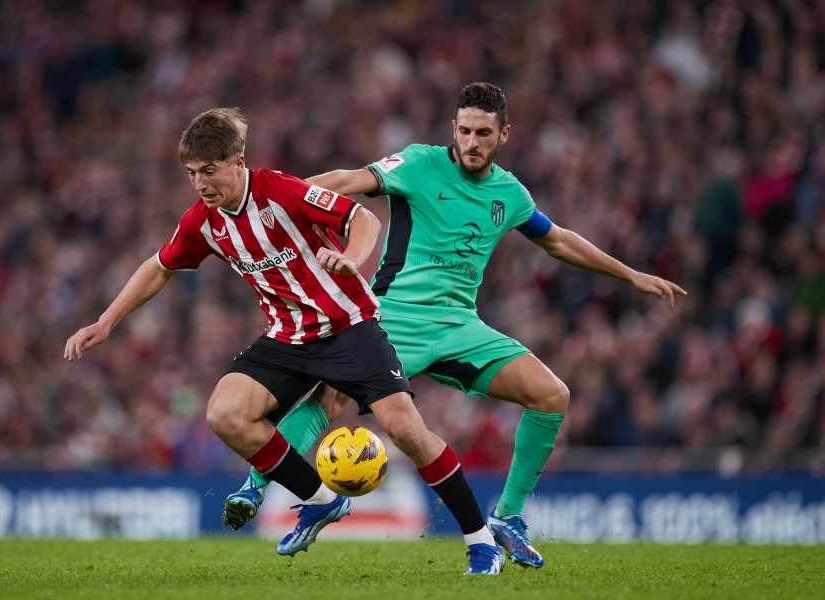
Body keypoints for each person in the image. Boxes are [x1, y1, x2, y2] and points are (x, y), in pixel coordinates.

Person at [223, 83, 688, 568]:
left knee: (553, 395)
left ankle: (507, 517)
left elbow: (560, 242)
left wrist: (630, 274)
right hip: (392, 317)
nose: (471, 141)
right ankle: (256, 487)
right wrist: (270, 203)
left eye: (483, 133)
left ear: (504, 134)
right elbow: (344, 180)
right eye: (464, 130)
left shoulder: (509, 193)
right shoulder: (420, 164)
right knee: (329, 397)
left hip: (459, 326)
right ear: (453, 128)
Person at [63, 107, 505, 575]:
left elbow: (364, 221)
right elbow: (159, 267)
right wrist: (106, 321)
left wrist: (352, 258)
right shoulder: (203, 221)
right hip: (289, 337)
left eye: (209, 171)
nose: (200, 184)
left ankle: (481, 542)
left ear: (238, 162)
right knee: (225, 415)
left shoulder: (280, 191)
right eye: (192, 173)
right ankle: (320, 500)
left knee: (406, 431)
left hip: (349, 327)